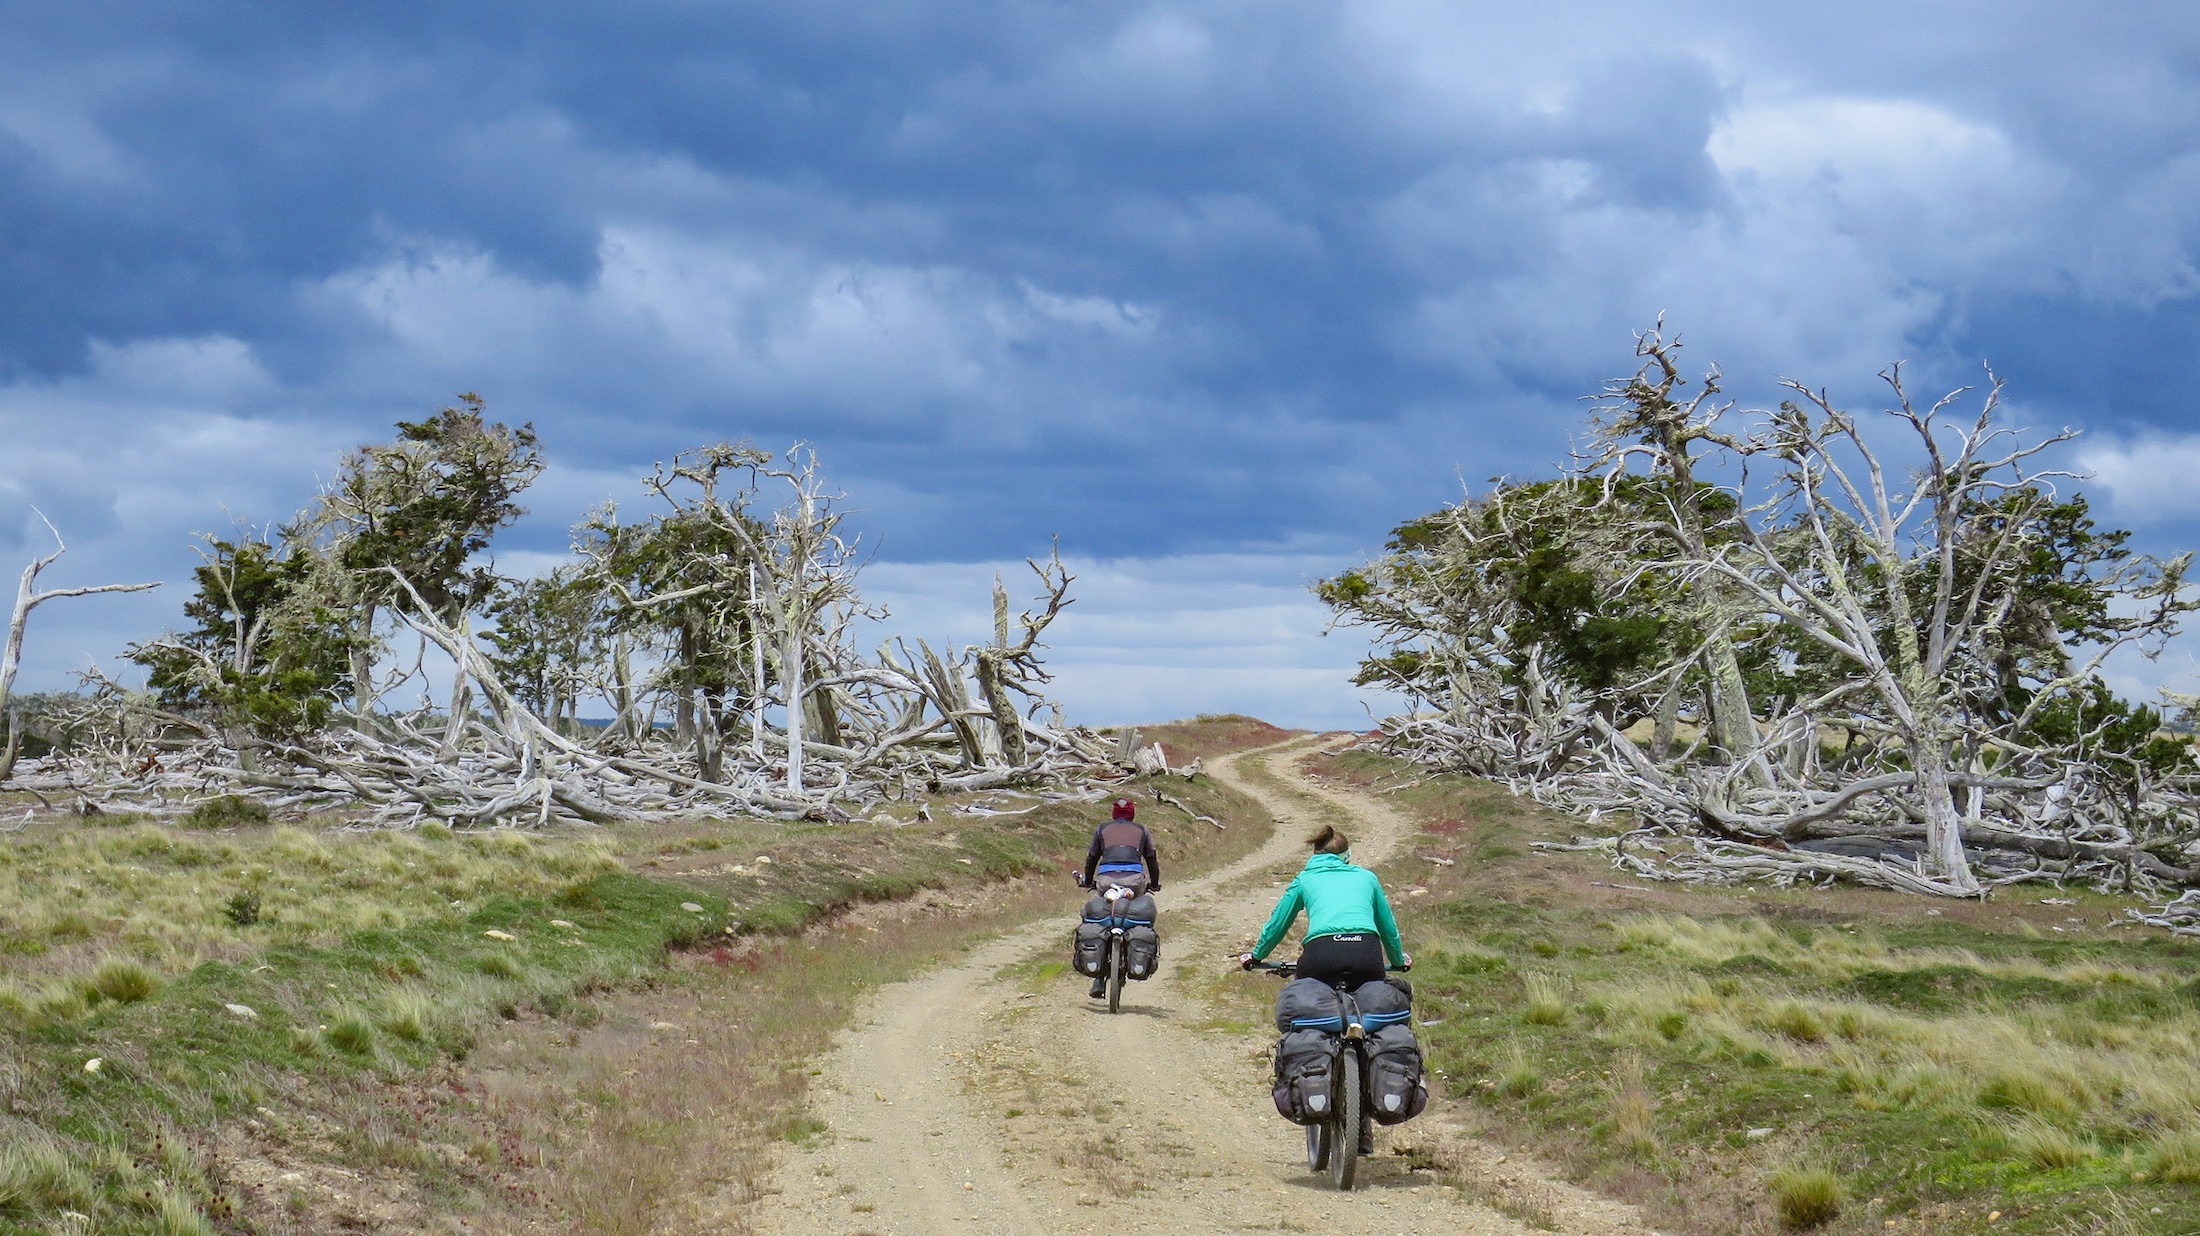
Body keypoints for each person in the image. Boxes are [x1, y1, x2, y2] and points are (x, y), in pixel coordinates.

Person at [1239, 824, 1409, 989]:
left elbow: (1279, 922)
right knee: (1373, 1003)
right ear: (1347, 855)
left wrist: (1257, 956)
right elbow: (1387, 926)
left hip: (1322, 952)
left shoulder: (1305, 879)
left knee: (1303, 1003)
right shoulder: (1368, 878)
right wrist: (1398, 961)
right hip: (1366, 952)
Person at [1078, 797, 1161, 998]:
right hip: (1134, 881)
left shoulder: (1102, 829)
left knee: (1103, 917)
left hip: (1106, 880)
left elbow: (1092, 858)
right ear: (1132, 814)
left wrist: (1089, 880)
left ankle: (1099, 979)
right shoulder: (1142, 830)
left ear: (1114, 814)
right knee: (1133, 915)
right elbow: (1151, 859)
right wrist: (1155, 883)